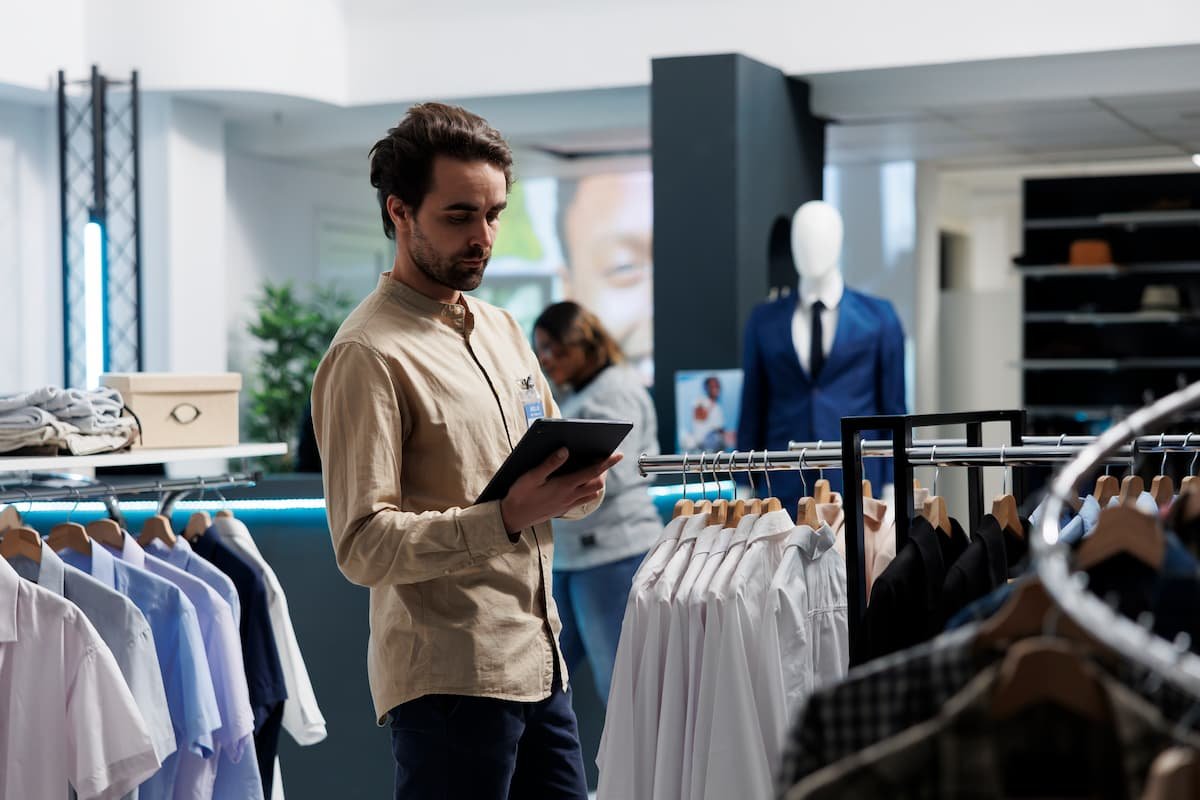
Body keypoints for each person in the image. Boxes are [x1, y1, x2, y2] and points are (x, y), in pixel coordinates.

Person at [310, 103, 620, 800]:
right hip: (450, 686)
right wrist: (506, 517)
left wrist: (577, 482)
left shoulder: (504, 328)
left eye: (494, 214)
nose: (483, 237)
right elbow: (362, 545)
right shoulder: (366, 354)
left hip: (541, 664)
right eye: (459, 217)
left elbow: (544, 458)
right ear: (400, 212)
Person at [532, 301, 661, 704]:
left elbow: (617, 473)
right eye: (540, 350)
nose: (546, 359)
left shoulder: (616, 390)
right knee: (544, 684)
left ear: (583, 343)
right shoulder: (572, 395)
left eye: (555, 348)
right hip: (572, 560)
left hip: (613, 555)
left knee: (624, 692)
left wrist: (545, 486)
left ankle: (637, 769)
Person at [683, 375, 728, 451]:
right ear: (706, 388)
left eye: (717, 386)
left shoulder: (718, 407)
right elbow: (701, 417)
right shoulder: (700, 401)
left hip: (715, 448)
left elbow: (720, 429)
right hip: (701, 445)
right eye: (712, 386)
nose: (715, 388)